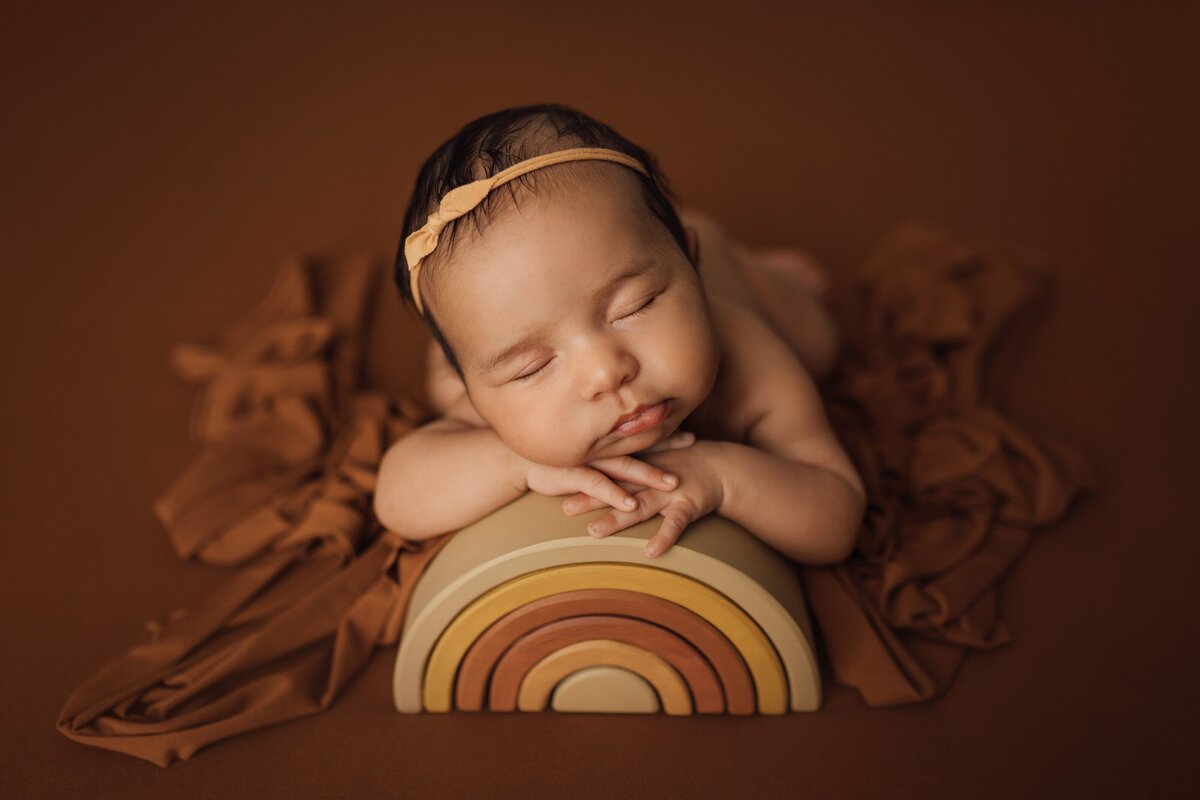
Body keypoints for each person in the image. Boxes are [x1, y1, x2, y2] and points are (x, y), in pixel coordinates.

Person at [374, 103, 865, 564]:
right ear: (475, 394)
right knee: (446, 381)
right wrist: (512, 462)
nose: (606, 372)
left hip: (733, 286)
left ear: (686, 261)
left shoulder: (752, 356)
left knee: (819, 342)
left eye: (636, 306)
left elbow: (836, 514)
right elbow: (395, 498)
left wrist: (724, 477)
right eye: (535, 366)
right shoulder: (495, 407)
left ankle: (748, 265)